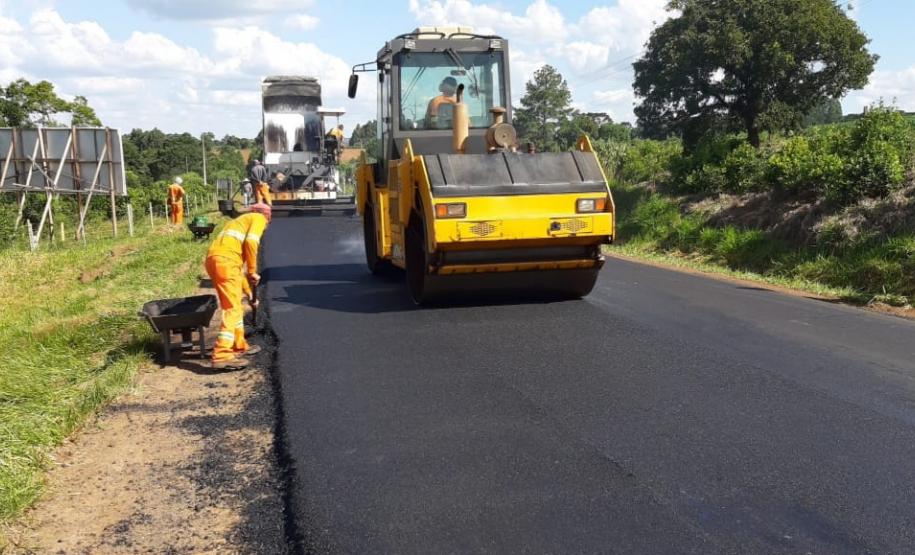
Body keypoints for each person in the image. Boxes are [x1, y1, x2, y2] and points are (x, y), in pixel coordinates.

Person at [205, 203, 272, 369]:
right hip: (225, 263)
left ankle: (239, 345)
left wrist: (250, 294)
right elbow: (252, 242)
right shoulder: (258, 218)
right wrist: (252, 270)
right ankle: (221, 355)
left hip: (217, 262)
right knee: (232, 309)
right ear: (267, 216)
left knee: (235, 305)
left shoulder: (239, 222)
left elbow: (237, 273)